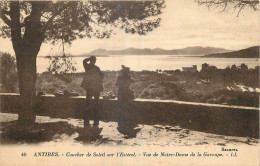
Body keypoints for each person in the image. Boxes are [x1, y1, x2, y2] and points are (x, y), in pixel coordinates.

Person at [81, 56, 104, 128]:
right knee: (96, 104)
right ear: (94, 61)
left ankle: (86, 121)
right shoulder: (97, 68)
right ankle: (96, 121)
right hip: (96, 89)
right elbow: (102, 76)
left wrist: (89, 58)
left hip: (89, 89)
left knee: (88, 104)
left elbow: (84, 61)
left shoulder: (87, 66)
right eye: (94, 60)